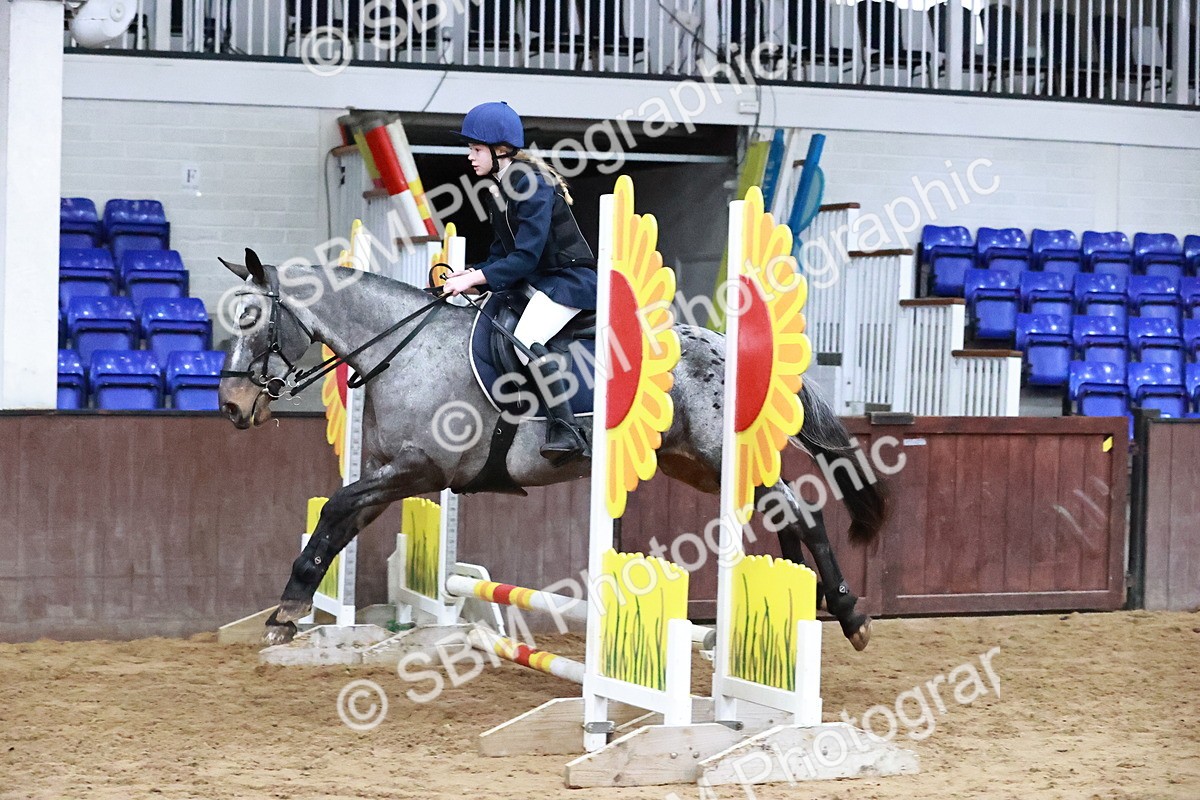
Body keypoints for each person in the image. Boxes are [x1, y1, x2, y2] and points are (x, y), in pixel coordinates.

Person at [442, 101, 597, 466]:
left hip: (568, 282)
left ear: (501, 151)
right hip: (538, 281)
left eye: (476, 149)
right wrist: (469, 276)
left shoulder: (533, 186)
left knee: (526, 339)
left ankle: (568, 431)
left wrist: (479, 277)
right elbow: (501, 255)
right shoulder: (501, 191)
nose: (470, 156)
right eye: (470, 149)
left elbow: (526, 256)